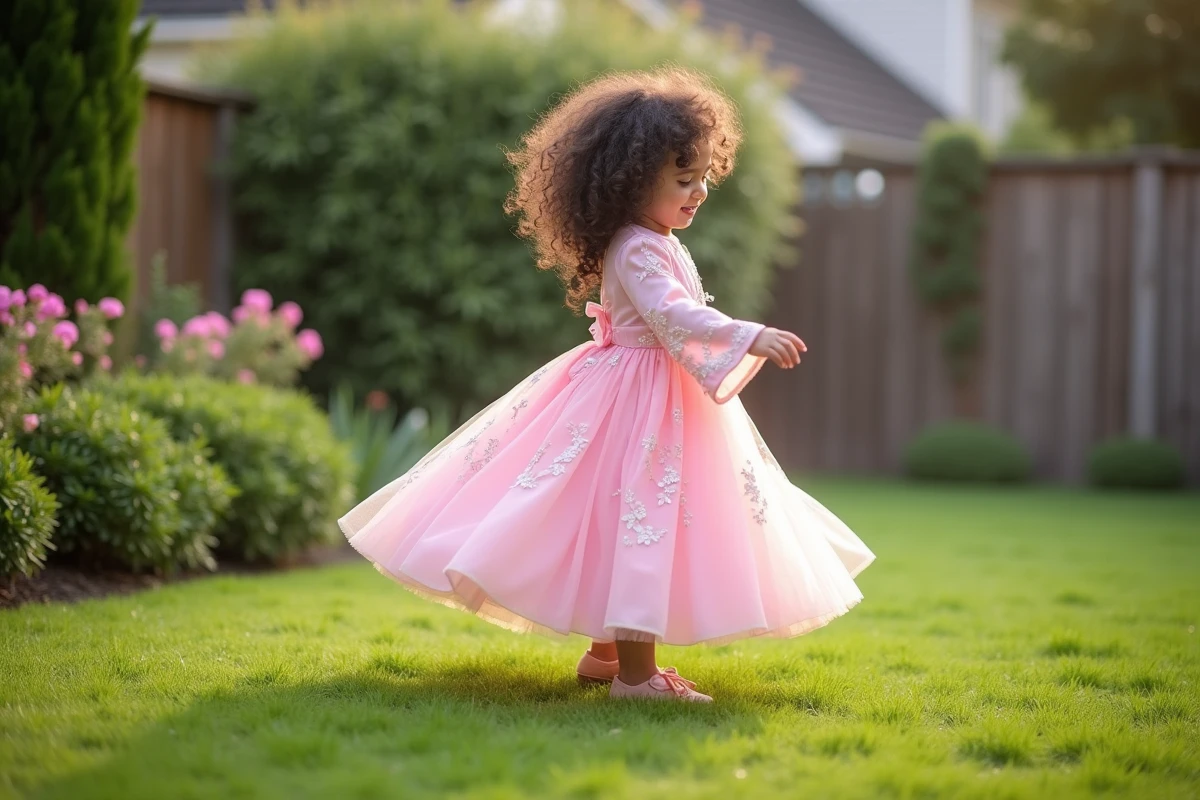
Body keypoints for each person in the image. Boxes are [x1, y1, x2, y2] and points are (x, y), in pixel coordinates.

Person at [339, 67, 875, 703]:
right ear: (629, 180)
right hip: (637, 397)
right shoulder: (638, 249)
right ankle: (637, 676)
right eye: (683, 178)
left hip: (648, 389)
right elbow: (672, 313)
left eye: (703, 174)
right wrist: (744, 334)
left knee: (629, 514)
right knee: (639, 514)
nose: (699, 190)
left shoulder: (653, 238)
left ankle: (604, 653)